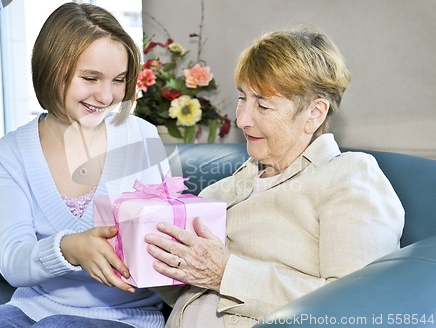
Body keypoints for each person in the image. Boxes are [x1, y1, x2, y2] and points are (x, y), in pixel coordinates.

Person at [145, 26, 405, 327]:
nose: (242, 119)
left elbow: (358, 306)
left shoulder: (349, 177)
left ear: (314, 113)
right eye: (242, 98)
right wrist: (144, 258)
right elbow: (187, 294)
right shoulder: (224, 189)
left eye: (263, 105)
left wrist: (226, 274)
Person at [0, 2, 168, 328]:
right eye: (90, 78)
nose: (106, 96)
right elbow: (12, 261)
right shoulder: (10, 152)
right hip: (32, 308)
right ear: (50, 68)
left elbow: (167, 238)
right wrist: (68, 248)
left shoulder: (140, 137)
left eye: (119, 80)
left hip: (126, 316)